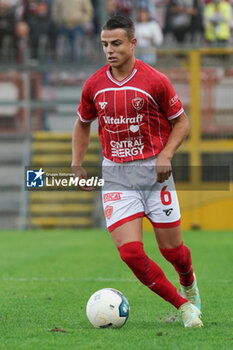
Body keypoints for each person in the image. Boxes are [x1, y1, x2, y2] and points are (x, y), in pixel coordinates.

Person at [72, 15, 203, 328]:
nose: (109, 50)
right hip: (117, 176)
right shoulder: (94, 85)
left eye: (116, 43)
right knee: (130, 252)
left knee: (173, 251)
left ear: (133, 43)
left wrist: (167, 154)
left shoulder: (154, 80)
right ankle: (184, 306)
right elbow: (82, 123)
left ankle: (189, 282)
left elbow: (181, 121)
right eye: (105, 44)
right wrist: (77, 164)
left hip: (155, 176)